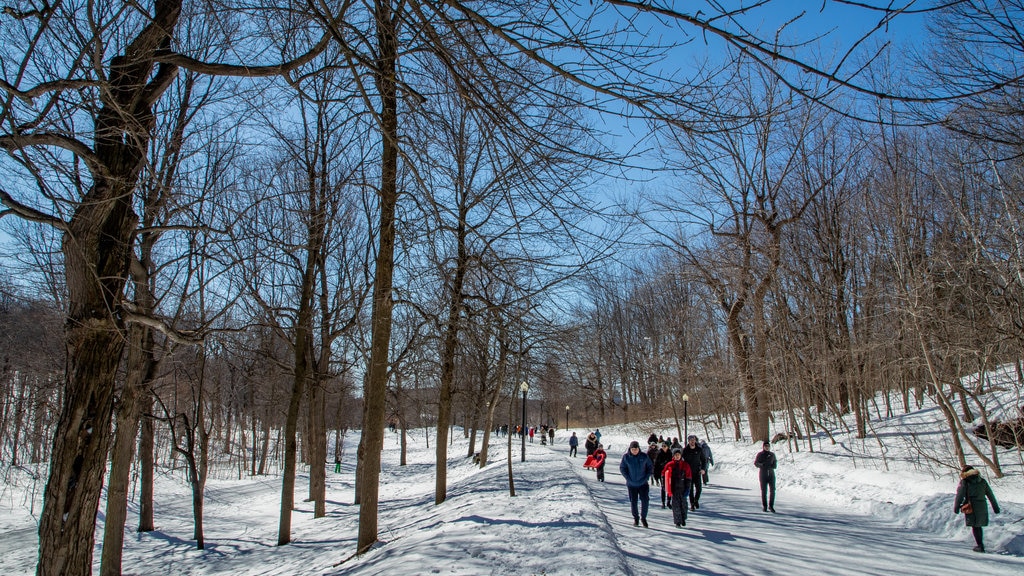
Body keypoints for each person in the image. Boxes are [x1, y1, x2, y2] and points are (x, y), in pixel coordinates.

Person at [954, 465, 1000, 552]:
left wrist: (956, 507)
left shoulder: (965, 482)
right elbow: (990, 495)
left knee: (975, 526)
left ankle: (980, 545)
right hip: (982, 505)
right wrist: (995, 507)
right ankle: (980, 545)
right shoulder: (982, 481)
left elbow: (960, 495)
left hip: (971, 505)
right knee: (978, 526)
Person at [619, 440, 654, 527]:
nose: (634, 451)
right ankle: (636, 518)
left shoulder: (644, 457)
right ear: (630, 449)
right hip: (631, 484)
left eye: (636, 449)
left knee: (645, 501)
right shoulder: (626, 457)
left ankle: (643, 518)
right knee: (633, 501)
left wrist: (646, 477)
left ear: (639, 449)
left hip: (643, 484)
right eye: (633, 449)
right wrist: (627, 478)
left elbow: (650, 467)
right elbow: (622, 468)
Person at [662, 447, 692, 528]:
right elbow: (664, 475)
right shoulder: (669, 465)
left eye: (678, 455)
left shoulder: (685, 465)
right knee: (676, 506)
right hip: (674, 489)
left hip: (683, 488)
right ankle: (677, 522)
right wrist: (665, 487)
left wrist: (688, 488)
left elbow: (688, 477)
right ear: (673, 456)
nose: (677, 456)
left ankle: (683, 518)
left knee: (684, 506)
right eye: (676, 455)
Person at [681, 435, 707, 510]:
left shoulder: (699, 449)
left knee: (699, 489)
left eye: (693, 440)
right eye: (691, 440)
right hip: (688, 473)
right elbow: (681, 460)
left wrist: (703, 469)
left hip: (697, 472)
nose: (692, 441)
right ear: (688, 441)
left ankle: (696, 500)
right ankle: (692, 504)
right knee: (690, 489)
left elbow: (704, 460)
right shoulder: (685, 450)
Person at [754, 440, 777, 512]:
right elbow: (756, 463)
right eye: (765, 446)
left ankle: (771, 506)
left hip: (771, 474)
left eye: (768, 446)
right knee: (764, 491)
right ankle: (765, 506)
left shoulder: (772, 454)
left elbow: (775, 463)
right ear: (763, 447)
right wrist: (761, 465)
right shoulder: (760, 454)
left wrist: (773, 465)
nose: (767, 448)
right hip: (763, 474)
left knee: (772, 490)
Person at [653, 442, 673, 507]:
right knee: (663, 487)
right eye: (663, 446)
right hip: (661, 472)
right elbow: (656, 464)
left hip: (670, 472)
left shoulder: (670, 453)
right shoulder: (659, 453)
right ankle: (663, 502)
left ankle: (668, 501)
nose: (664, 447)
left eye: (665, 446)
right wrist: (655, 474)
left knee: (670, 487)